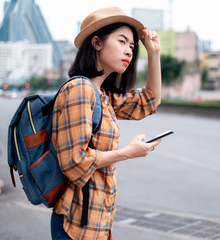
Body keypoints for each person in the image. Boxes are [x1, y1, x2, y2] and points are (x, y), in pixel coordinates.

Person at [51, 7, 162, 240]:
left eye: (132, 46)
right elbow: (74, 161)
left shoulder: (102, 95)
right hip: (77, 225)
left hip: (97, 221)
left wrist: (153, 53)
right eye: (122, 41)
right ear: (97, 43)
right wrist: (127, 153)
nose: (129, 51)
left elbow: (149, 101)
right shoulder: (80, 89)